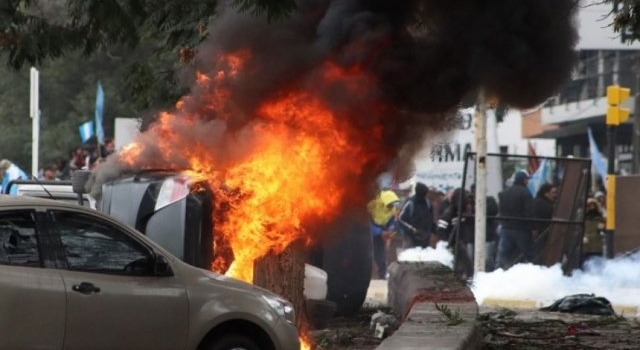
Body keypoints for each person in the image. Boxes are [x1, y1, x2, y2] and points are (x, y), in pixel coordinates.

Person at [496, 170, 535, 269]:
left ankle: (500, 273)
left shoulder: (504, 193)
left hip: (506, 228)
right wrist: (533, 227)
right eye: (527, 179)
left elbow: (500, 210)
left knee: (503, 255)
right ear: (524, 180)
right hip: (521, 229)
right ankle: (534, 274)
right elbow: (529, 212)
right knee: (529, 254)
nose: (528, 182)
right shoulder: (525, 193)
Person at [367, 189, 400, 279]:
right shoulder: (372, 206)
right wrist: (379, 232)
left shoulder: (392, 210)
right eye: (389, 205)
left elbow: (392, 221)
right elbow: (367, 223)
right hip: (368, 235)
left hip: (381, 235)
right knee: (367, 256)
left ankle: (382, 276)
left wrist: (390, 229)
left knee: (381, 257)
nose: (391, 207)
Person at [398, 182, 435, 249]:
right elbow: (400, 219)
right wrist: (412, 230)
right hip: (411, 238)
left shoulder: (428, 204)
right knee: (410, 257)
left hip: (425, 238)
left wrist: (432, 231)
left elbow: (431, 220)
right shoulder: (410, 203)